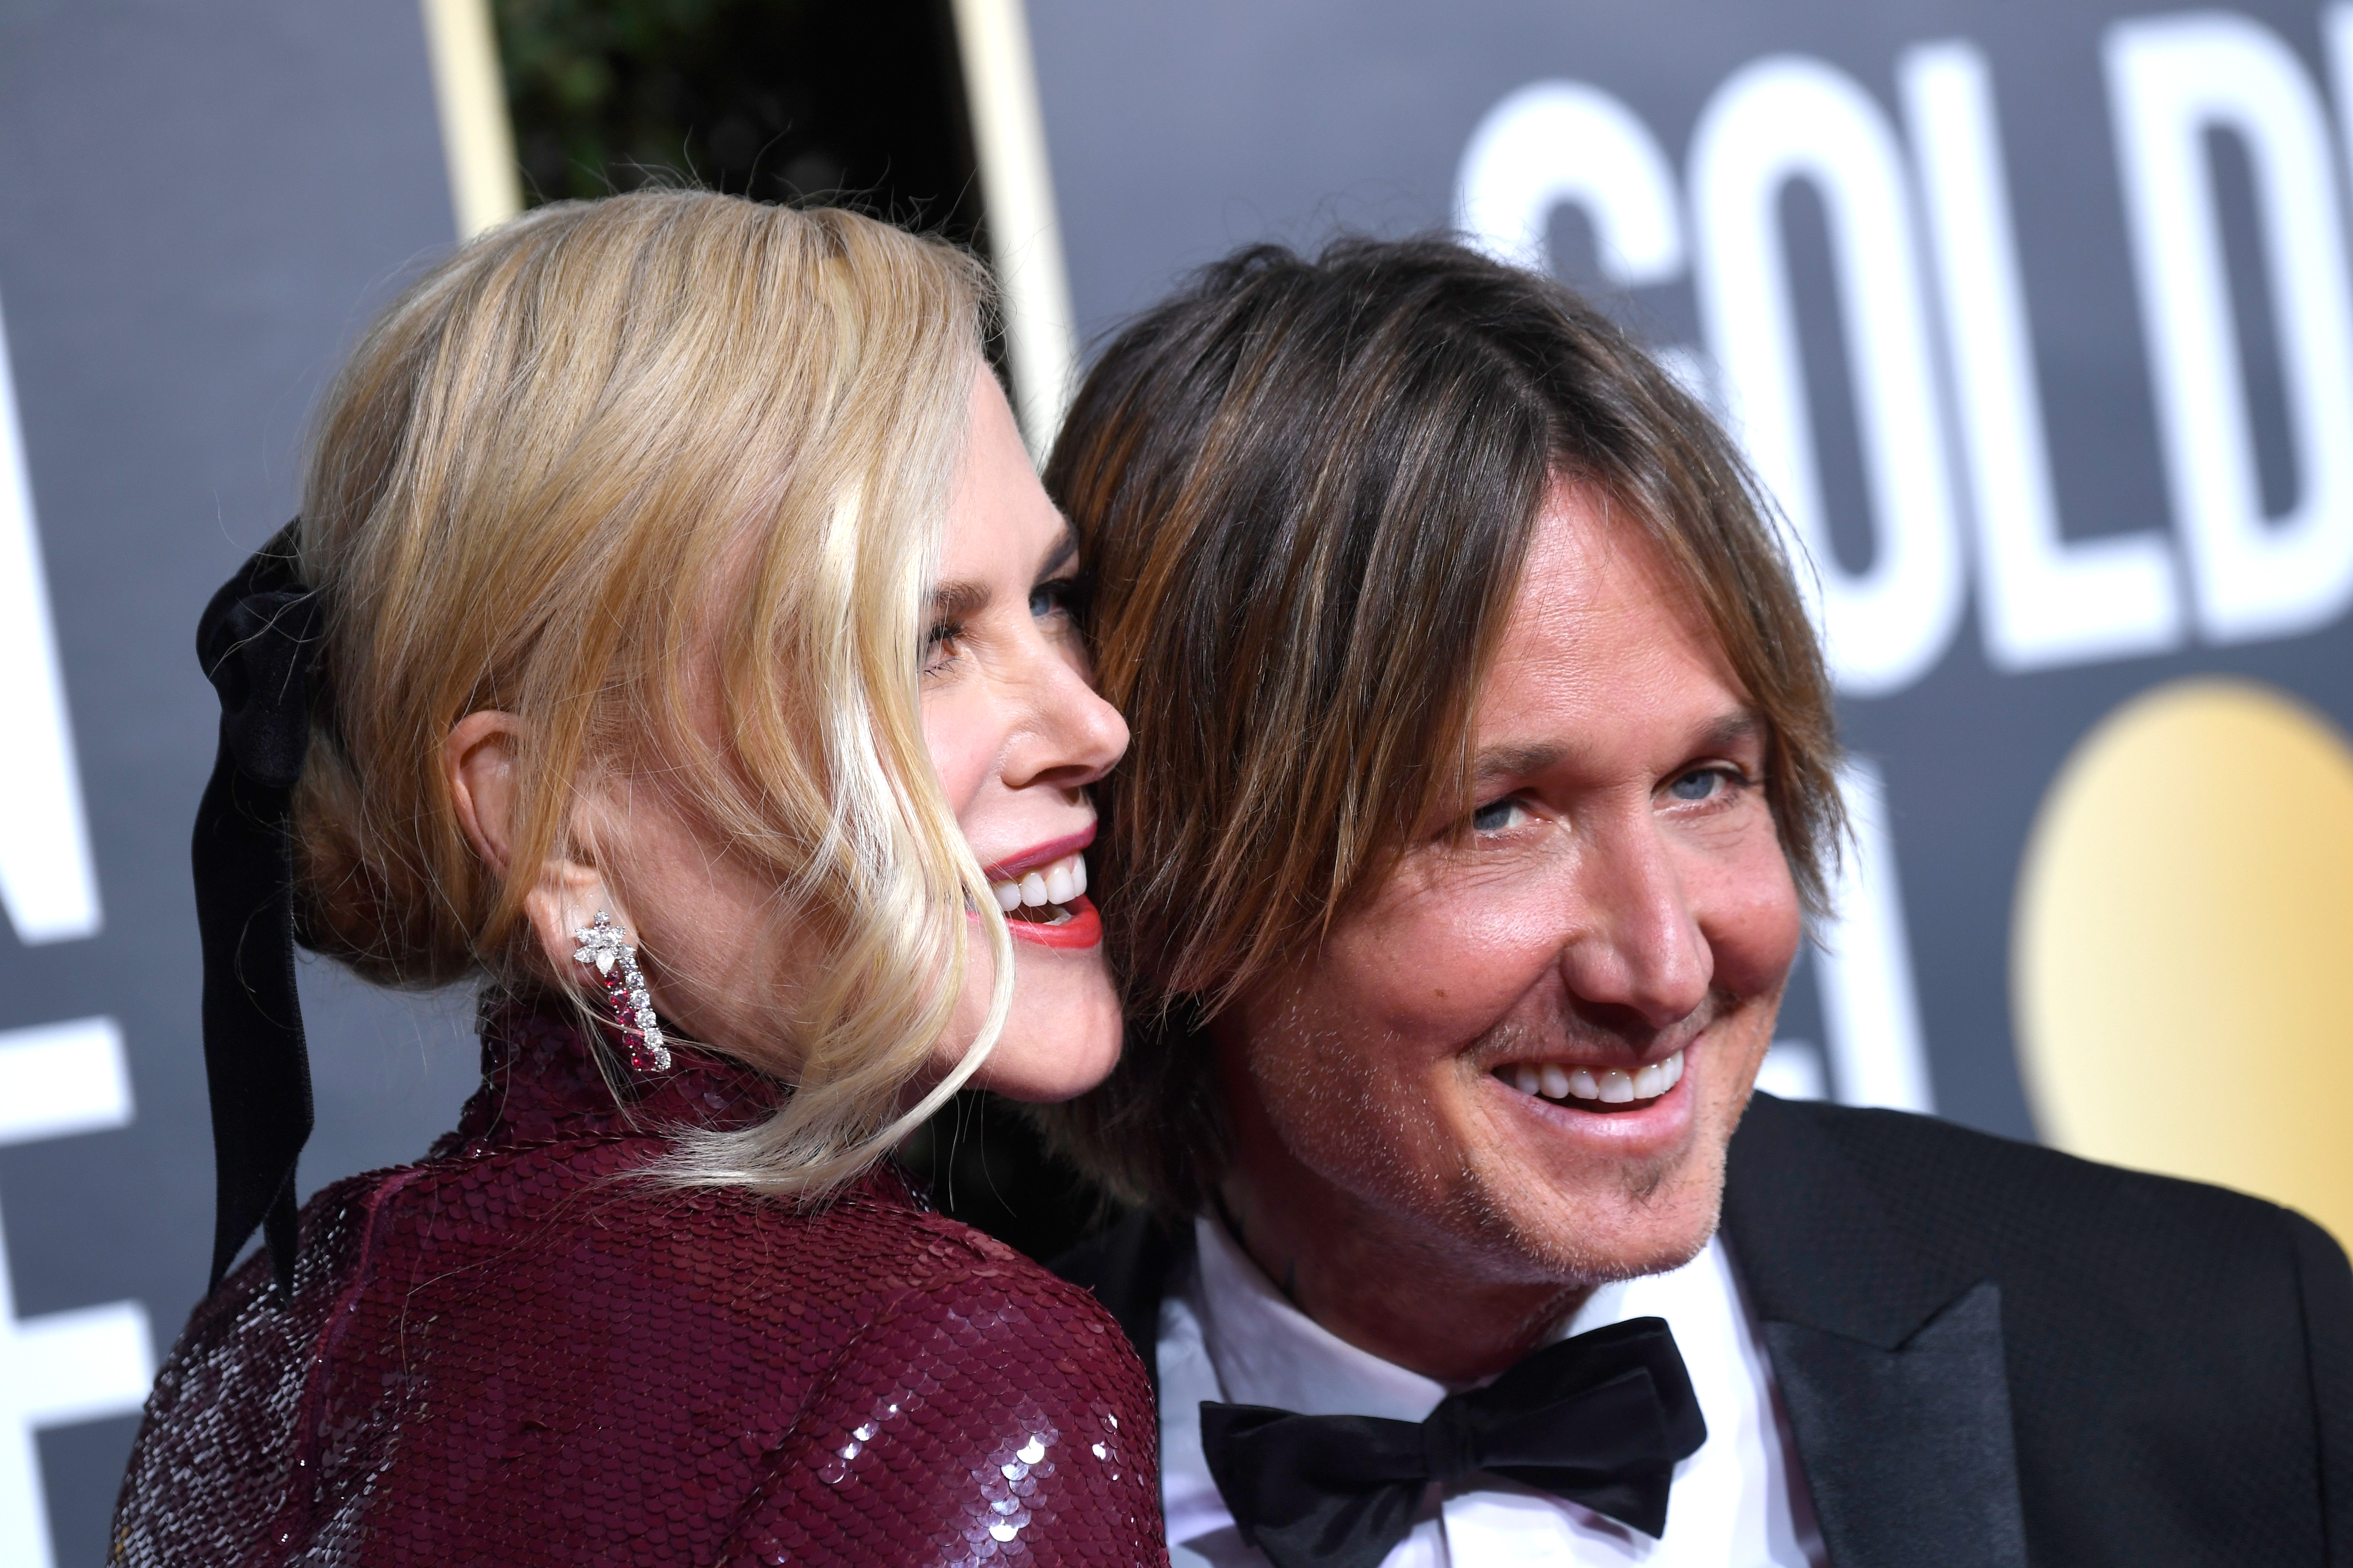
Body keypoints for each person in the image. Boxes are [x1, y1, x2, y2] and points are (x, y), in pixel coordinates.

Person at [1040, 237, 2353, 1568]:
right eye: (1500, 815)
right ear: (1183, 873)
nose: (1663, 965)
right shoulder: (946, 1497)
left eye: (1703, 782)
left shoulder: (2227, 1357)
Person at [112, 192, 1165, 1567]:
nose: (1095, 725)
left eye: (1048, 599)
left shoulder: (259, 1354)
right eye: (923, 640)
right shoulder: (952, 1378)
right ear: (547, 825)